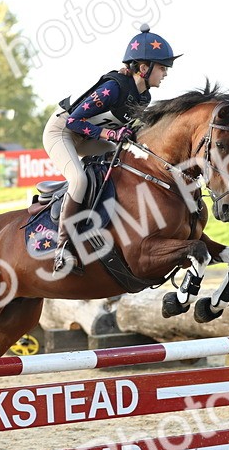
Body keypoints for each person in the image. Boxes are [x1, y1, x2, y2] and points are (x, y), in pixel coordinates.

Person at [43, 23, 181, 275]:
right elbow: (74, 121)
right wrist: (112, 134)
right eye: (162, 68)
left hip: (87, 137)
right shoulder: (114, 88)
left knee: (121, 166)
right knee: (79, 179)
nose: (165, 74)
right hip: (62, 132)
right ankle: (62, 248)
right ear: (143, 68)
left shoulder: (143, 98)